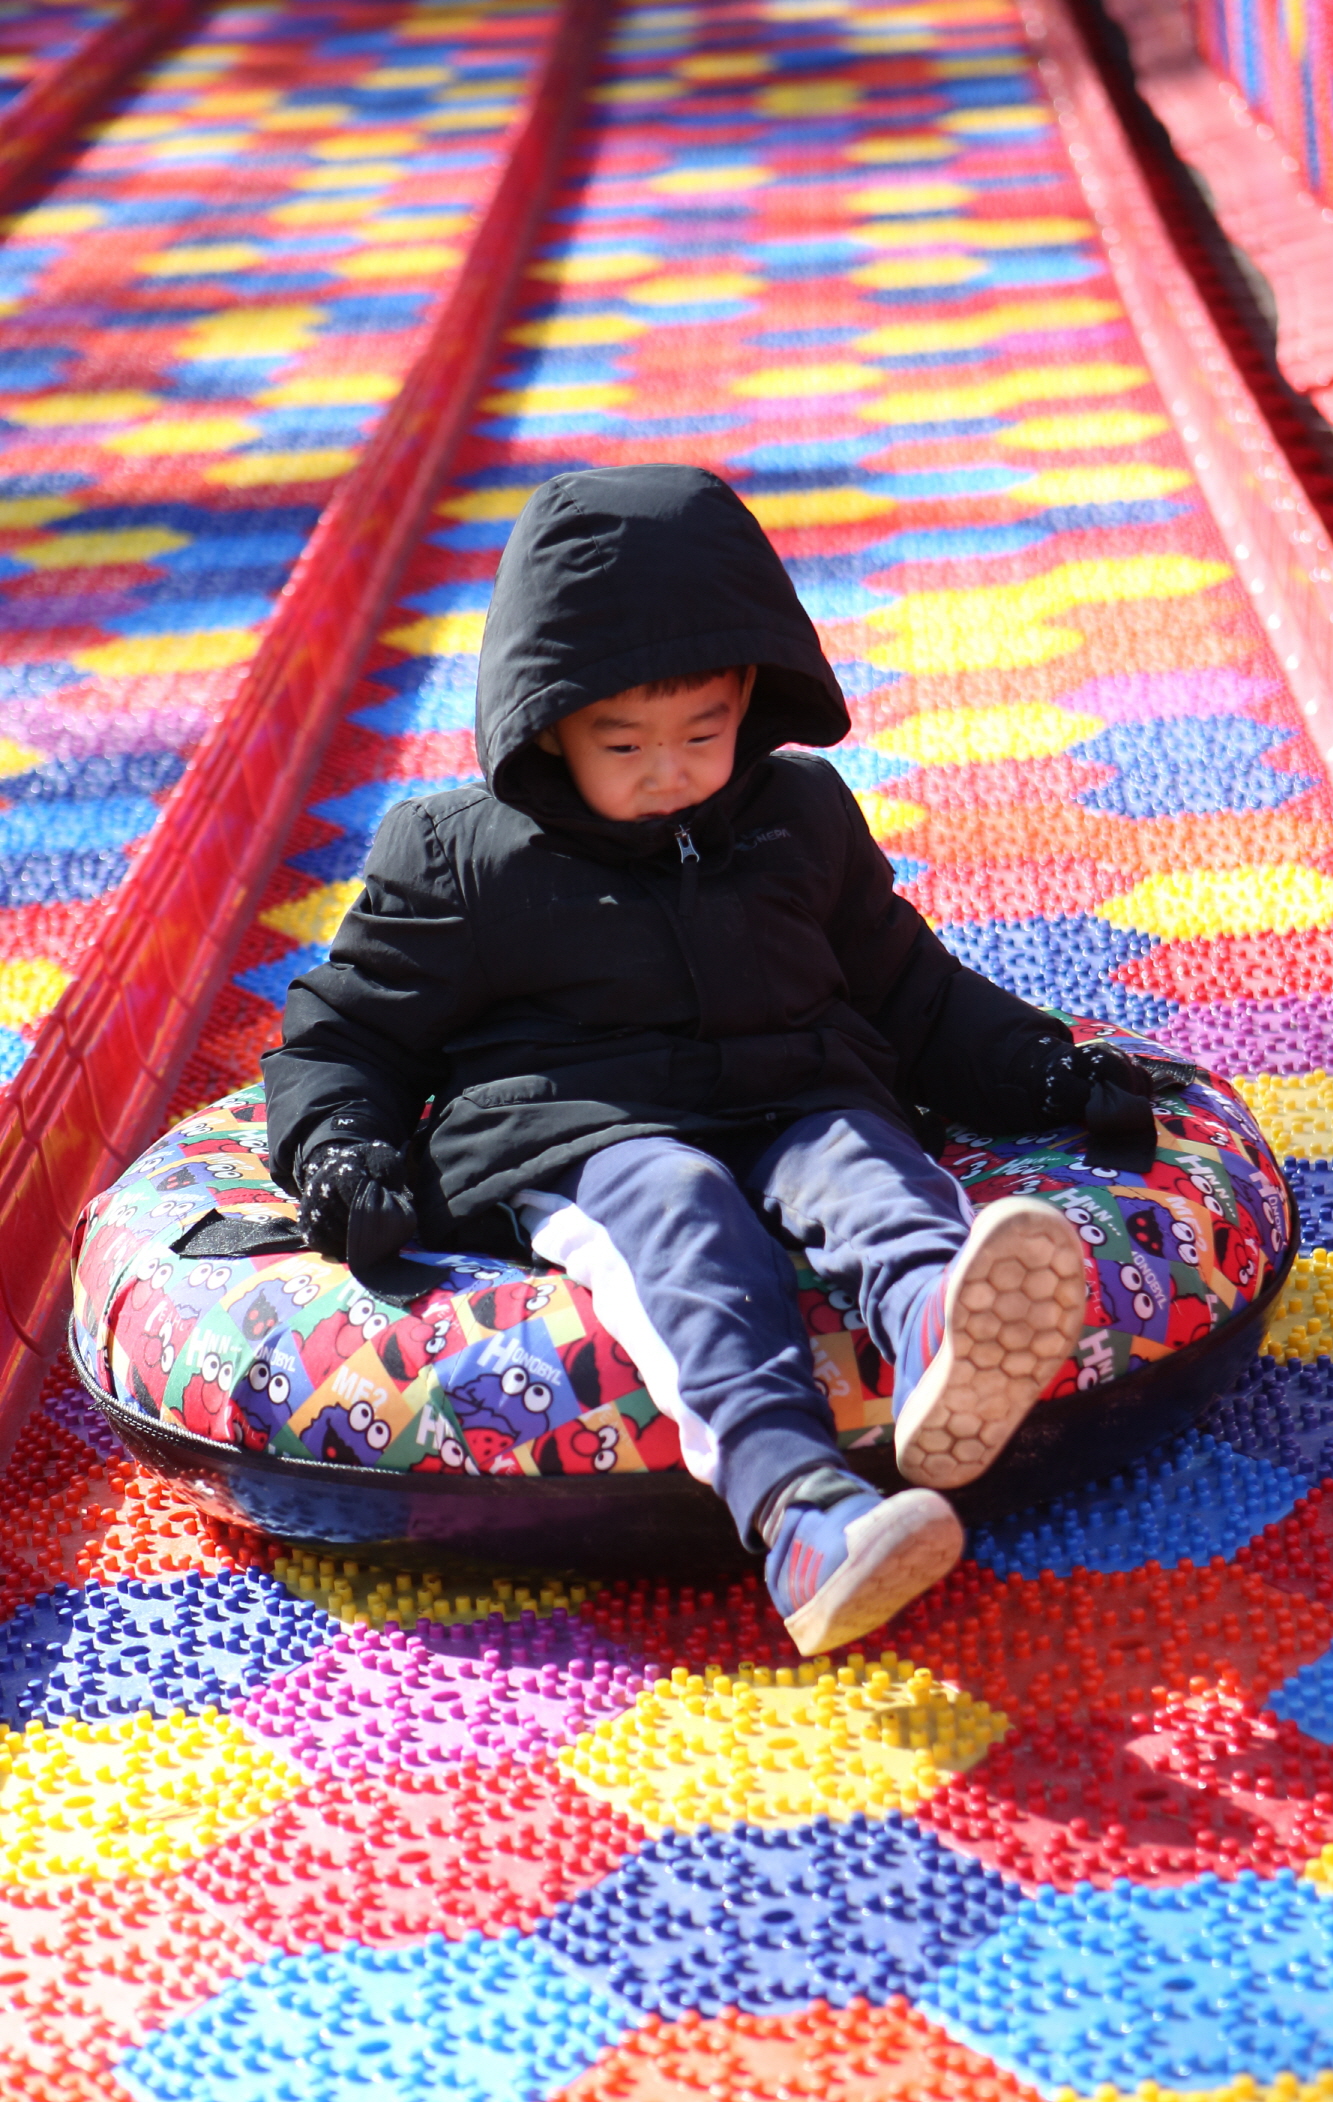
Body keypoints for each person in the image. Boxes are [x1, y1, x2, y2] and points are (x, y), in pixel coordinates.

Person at [264, 464, 1156, 1656]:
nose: (668, 769)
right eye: (622, 741)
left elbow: (909, 985)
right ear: (545, 723)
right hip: (586, 1126)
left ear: (748, 695)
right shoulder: (463, 858)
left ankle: (939, 1330)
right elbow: (350, 1028)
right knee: (685, 1219)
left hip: (794, 1090)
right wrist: (341, 1148)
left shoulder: (798, 815)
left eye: (702, 731)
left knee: (867, 1165)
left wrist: (1043, 1067)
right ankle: (803, 1513)